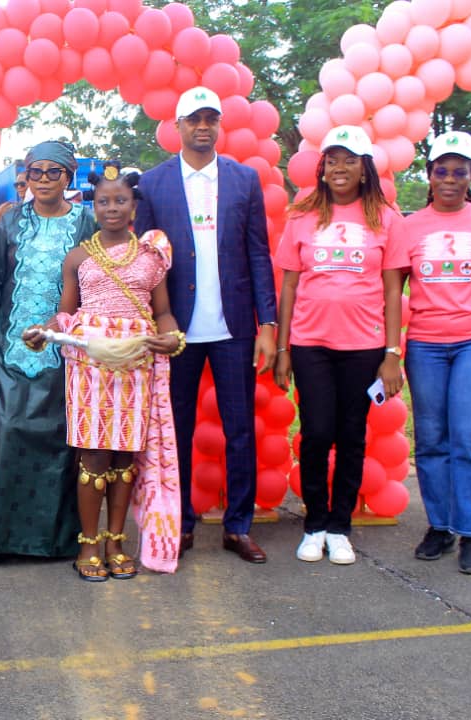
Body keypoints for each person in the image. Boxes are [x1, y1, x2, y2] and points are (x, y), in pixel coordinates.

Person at [134, 87, 278, 564]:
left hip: (234, 327)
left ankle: (238, 527)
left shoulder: (244, 180)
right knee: (176, 430)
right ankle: (182, 522)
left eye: (210, 119)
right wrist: (150, 324)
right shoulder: (152, 185)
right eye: (194, 119)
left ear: (219, 125)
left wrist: (268, 323)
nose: (203, 126)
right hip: (176, 333)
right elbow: (146, 262)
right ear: (177, 127)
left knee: (241, 430)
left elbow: (258, 253)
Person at [23, 164, 184, 580]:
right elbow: (66, 313)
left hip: (136, 363)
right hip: (90, 365)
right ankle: (89, 543)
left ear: (134, 205)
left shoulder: (152, 258)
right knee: (93, 454)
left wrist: (174, 338)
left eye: (120, 200)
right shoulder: (78, 256)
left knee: (126, 455)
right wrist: (45, 330)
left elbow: (163, 313)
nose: (111, 208)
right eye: (103, 201)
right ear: (92, 206)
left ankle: (117, 540)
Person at [385, 131, 471, 575]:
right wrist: (391, 348)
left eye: (459, 171)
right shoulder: (409, 226)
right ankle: (440, 527)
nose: (449, 178)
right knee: (431, 438)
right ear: (429, 175)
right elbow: (393, 288)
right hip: (426, 343)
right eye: (441, 170)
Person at [0, 140, 97, 566]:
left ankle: (55, 542)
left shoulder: (85, 222)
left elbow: (96, 283)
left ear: (68, 176)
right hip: (10, 350)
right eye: (34, 172)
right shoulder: (10, 223)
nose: (41, 180)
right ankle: (0, 540)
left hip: (66, 351)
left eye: (52, 172)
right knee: (10, 433)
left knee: (60, 442)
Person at [273, 126, 404, 566]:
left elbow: (391, 291)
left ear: (365, 168)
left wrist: (391, 352)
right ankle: (314, 525)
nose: (339, 168)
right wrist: (284, 348)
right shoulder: (302, 216)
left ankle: (339, 527)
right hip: (311, 344)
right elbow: (289, 285)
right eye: (332, 160)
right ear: (322, 167)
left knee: (351, 436)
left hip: (364, 347)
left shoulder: (386, 219)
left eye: (349, 160)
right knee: (316, 433)